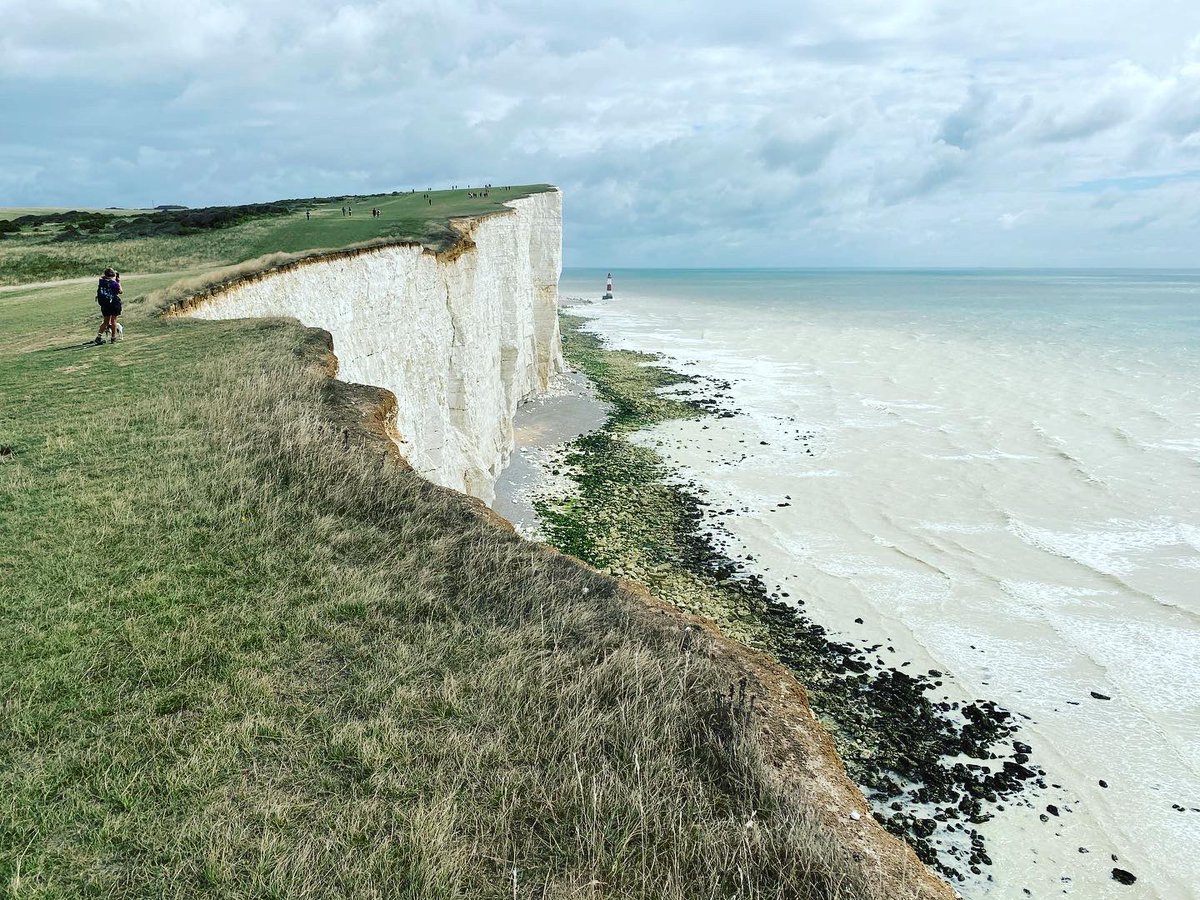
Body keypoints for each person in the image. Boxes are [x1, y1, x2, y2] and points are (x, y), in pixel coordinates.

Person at [94, 267, 122, 344]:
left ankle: (99, 337)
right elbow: (120, 291)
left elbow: (103, 277)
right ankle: (113, 338)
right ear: (113, 275)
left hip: (104, 304)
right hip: (114, 303)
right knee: (114, 321)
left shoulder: (101, 281)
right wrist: (118, 281)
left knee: (106, 321)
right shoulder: (114, 284)